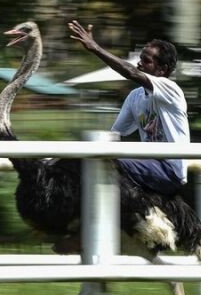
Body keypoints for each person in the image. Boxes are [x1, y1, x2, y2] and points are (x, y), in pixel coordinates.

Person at [68, 19, 189, 196]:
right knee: (98, 159)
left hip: (169, 172)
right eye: (140, 59)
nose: (139, 64)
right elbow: (115, 134)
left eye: (146, 61)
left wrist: (95, 48)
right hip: (147, 165)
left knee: (106, 162)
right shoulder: (135, 97)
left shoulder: (171, 90)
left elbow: (130, 72)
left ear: (162, 70)